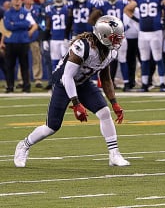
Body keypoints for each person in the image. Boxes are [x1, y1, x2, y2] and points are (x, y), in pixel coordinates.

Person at [13, 15, 130, 167]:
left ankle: (114, 154)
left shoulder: (110, 51)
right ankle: (24, 145)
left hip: (83, 82)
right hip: (63, 82)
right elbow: (67, 76)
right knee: (51, 127)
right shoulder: (83, 47)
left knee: (104, 112)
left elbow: (106, 78)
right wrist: (76, 104)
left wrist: (114, 103)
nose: (118, 42)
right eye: (115, 38)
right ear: (103, 35)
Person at [124, 0, 165, 91]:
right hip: (143, 33)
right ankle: (144, 84)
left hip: (156, 32)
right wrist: (138, 20)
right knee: (144, 59)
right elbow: (127, 9)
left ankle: (163, 83)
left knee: (158, 58)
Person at [3, 0, 38, 92]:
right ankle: (10, 86)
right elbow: (7, 26)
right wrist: (22, 25)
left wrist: (15, 24)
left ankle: (26, 86)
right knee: (10, 65)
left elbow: (30, 24)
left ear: (21, 0)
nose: (17, 1)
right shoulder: (8, 12)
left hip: (23, 42)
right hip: (11, 42)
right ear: (12, 1)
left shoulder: (26, 12)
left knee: (24, 65)